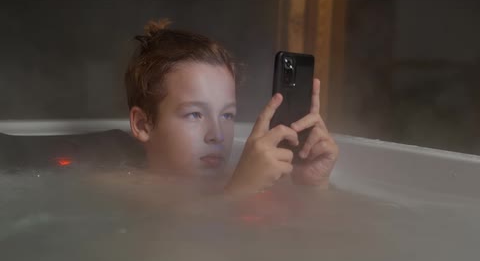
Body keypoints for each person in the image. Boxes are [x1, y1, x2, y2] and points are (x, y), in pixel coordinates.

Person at [125, 19, 338, 196]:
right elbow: (176, 234)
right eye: (195, 114)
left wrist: (313, 187)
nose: (217, 135)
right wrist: (238, 193)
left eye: (227, 115)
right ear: (143, 125)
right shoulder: (128, 190)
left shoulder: (244, 174)